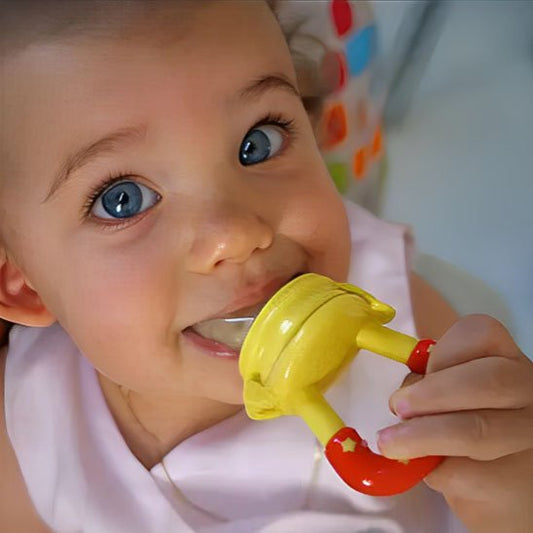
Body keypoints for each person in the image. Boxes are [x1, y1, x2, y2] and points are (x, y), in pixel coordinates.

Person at [0, 1, 531, 532]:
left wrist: (511, 493)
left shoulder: (402, 319)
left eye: (258, 143)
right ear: (24, 284)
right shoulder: (31, 432)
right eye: (123, 200)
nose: (236, 234)